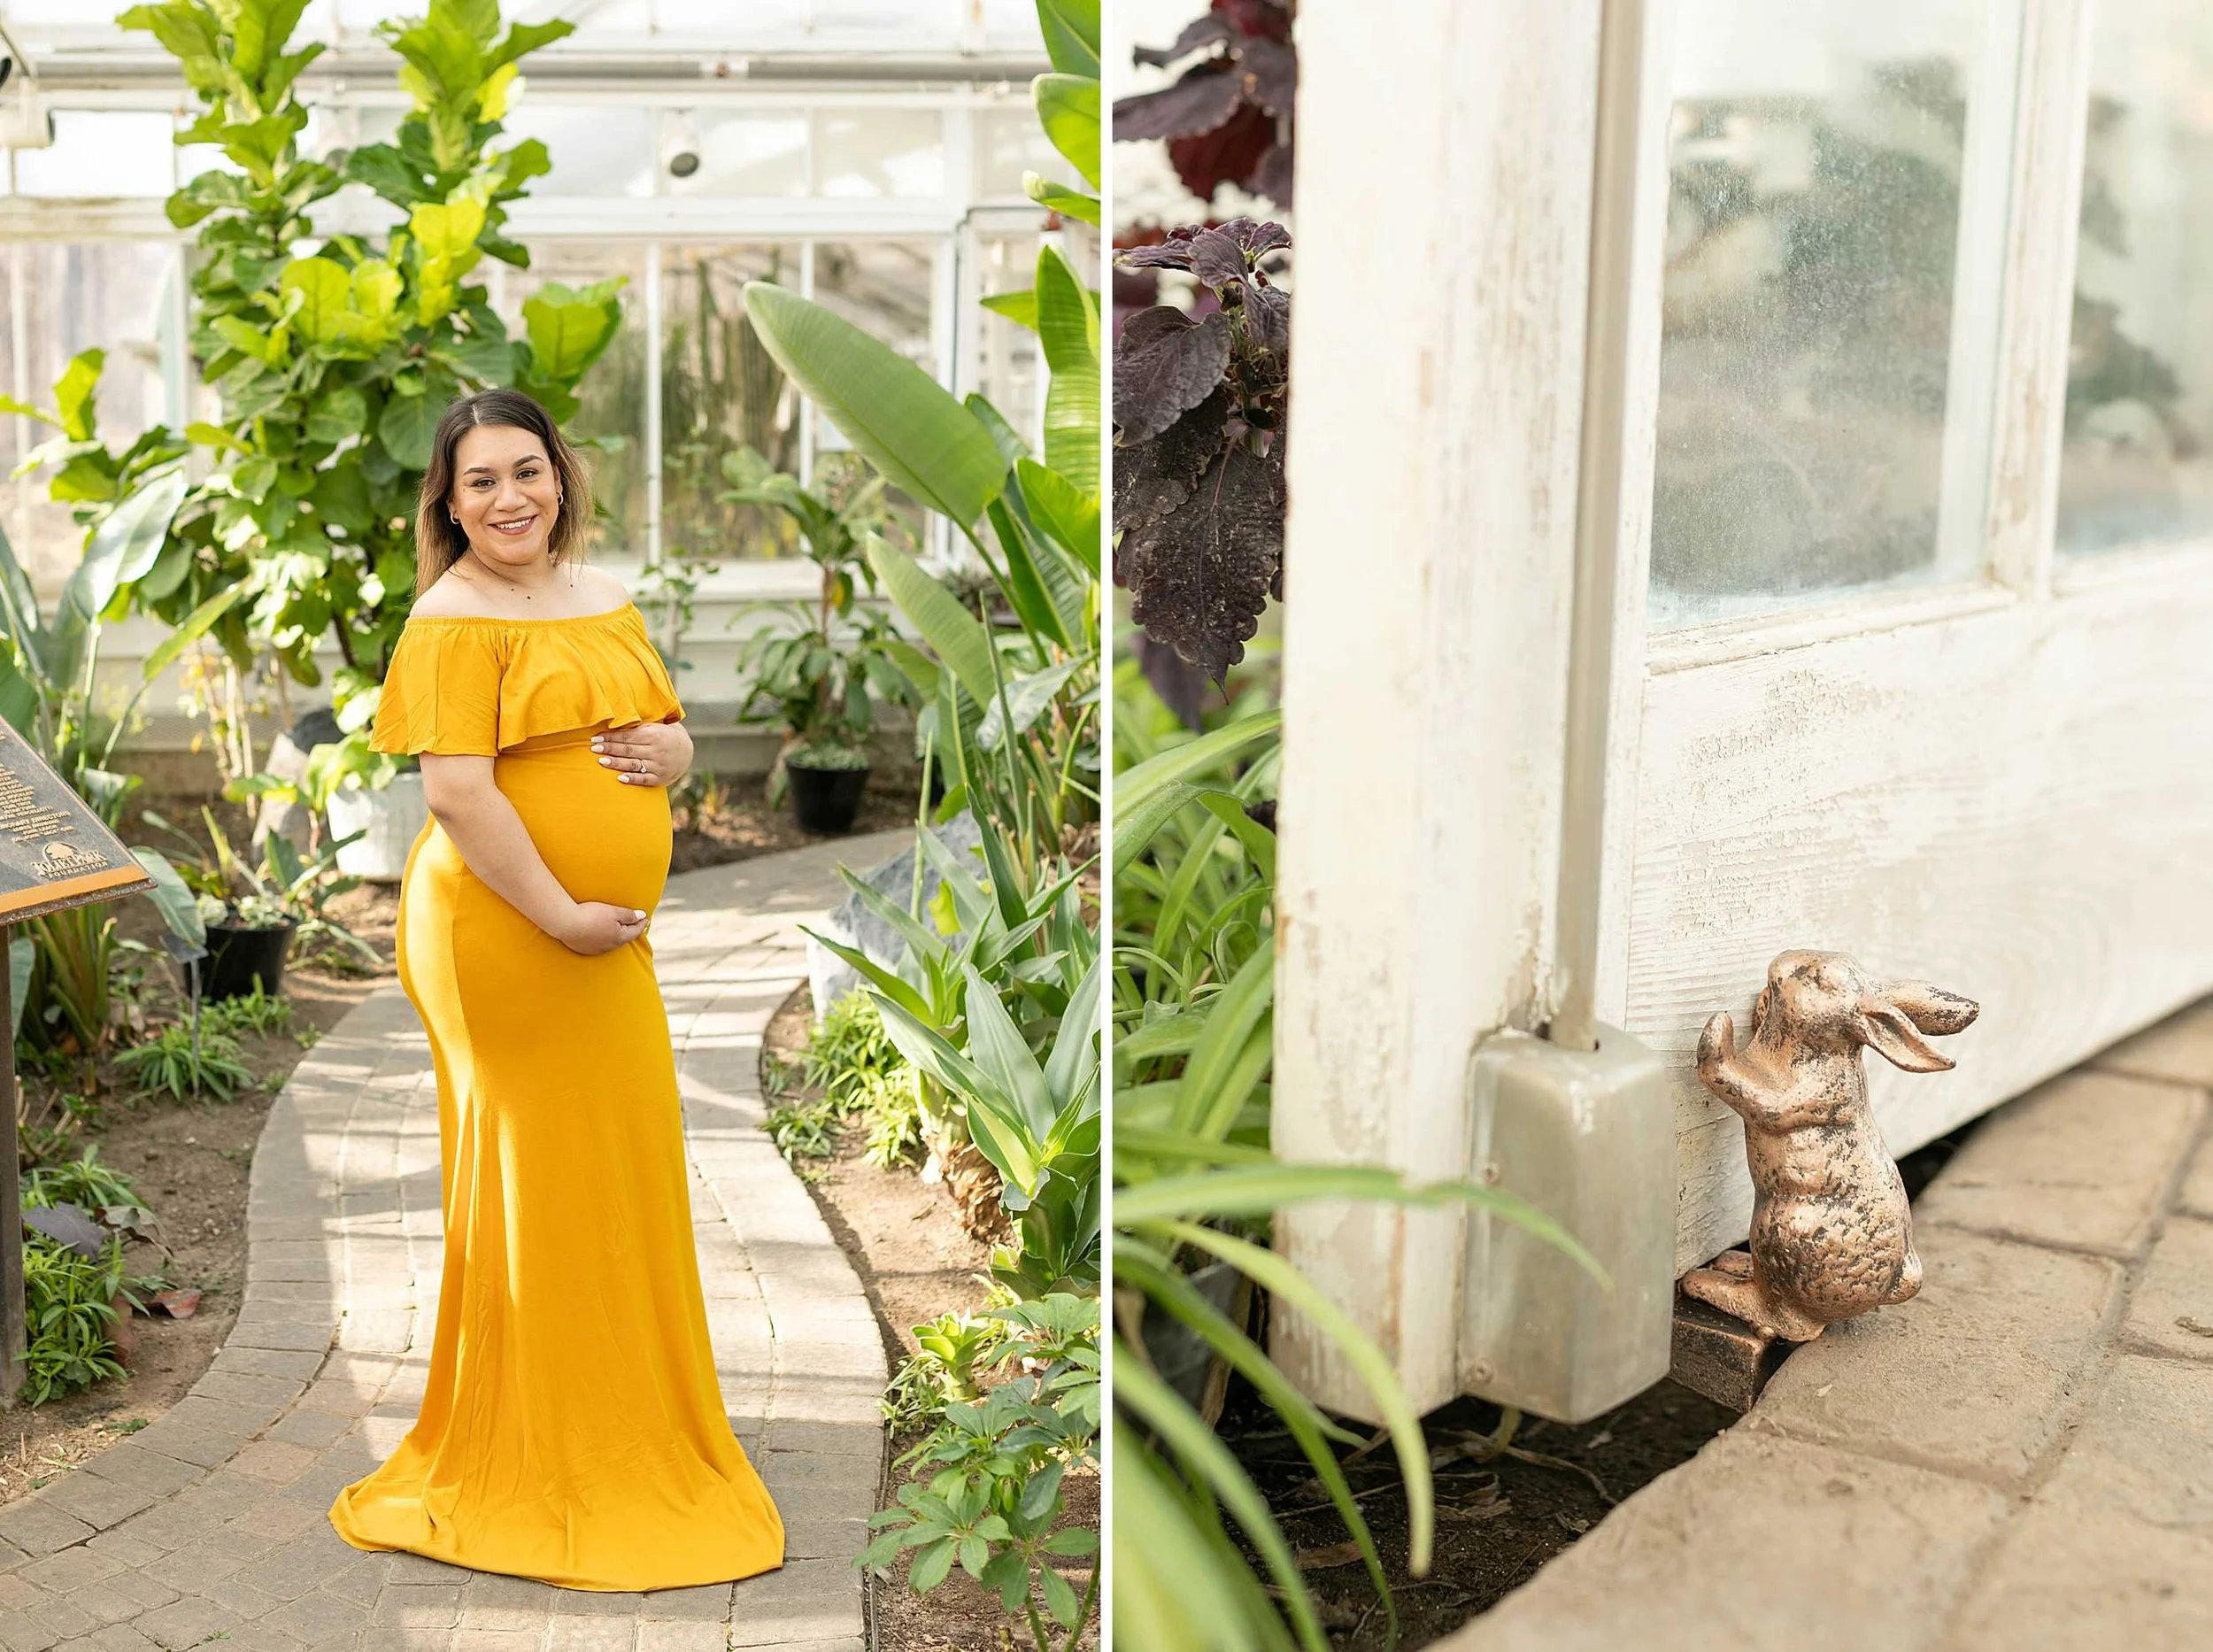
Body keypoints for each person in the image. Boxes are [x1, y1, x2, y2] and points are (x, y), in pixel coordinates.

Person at [326, 388, 785, 1591]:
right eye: (479, 481)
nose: (508, 498)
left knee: (616, 1170)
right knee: (539, 1184)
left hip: (595, 941)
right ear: (449, 503)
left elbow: (662, 730)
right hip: (504, 935)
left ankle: (620, 1423)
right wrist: (563, 915)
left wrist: (680, 751)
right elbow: (457, 793)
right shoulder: (451, 617)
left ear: (560, 475)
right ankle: (540, 1449)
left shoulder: (601, 593)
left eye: (525, 470)